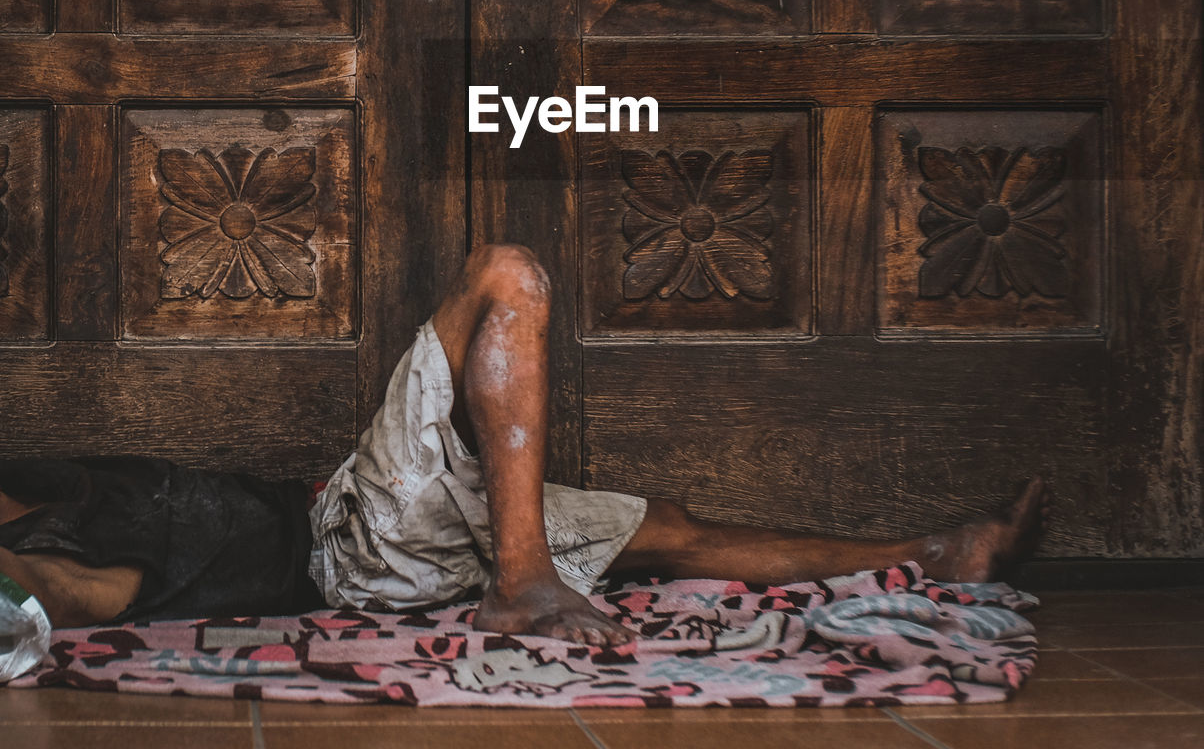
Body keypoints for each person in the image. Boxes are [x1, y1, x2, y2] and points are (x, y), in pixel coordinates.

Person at [0, 244, 1047, 646]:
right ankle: (524, 577)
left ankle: (928, 549)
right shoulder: (61, 561)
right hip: (357, 545)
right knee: (507, 275)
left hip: (394, 527)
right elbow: (58, 596)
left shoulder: (35, 487)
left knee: (665, 531)